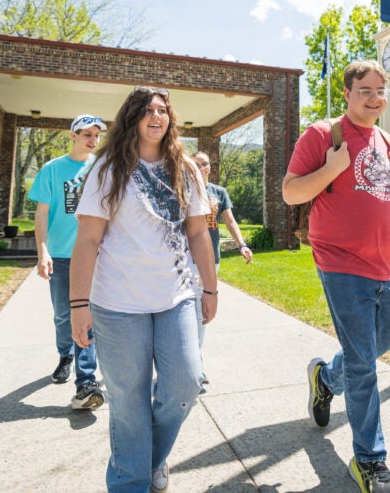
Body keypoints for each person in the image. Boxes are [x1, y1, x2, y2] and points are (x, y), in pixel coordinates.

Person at [70, 86, 218, 493]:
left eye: (163, 110)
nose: (157, 116)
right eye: (147, 110)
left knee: (185, 383)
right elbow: (87, 240)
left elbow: (198, 234)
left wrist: (211, 288)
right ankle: (129, 482)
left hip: (176, 297)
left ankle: (149, 457)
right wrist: (78, 304)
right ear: (132, 118)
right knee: (128, 399)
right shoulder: (108, 169)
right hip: (117, 303)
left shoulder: (184, 168)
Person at [282, 60, 390, 493]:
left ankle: (324, 379)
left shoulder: (385, 138)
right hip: (339, 263)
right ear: (348, 93)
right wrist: (332, 168)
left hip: (383, 266)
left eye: (380, 90)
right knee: (364, 366)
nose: (374, 98)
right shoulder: (323, 135)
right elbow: (290, 191)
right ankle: (370, 463)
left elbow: (377, 199)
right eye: (364, 91)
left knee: (378, 348)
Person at [27, 113, 107, 410]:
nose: (93, 139)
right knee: (63, 314)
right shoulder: (52, 169)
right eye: (87, 134)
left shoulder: (102, 168)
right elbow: (42, 213)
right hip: (61, 254)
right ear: (73, 136)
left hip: (95, 255)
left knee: (87, 314)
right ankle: (66, 354)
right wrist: (42, 250)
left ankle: (86, 381)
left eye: (96, 135)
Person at [191, 151, 252, 380]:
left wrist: (242, 245)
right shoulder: (184, 190)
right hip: (188, 259)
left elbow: (230, 220)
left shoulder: (219, 192)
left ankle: (195, 362)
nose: (201, 168)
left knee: (202, 311)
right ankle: (193, 364)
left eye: (204, 164)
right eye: (196, 164)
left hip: (210, 259)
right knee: (192, 311)